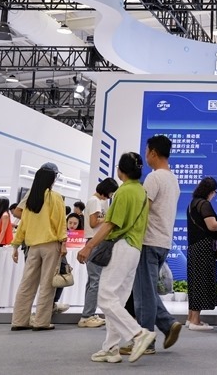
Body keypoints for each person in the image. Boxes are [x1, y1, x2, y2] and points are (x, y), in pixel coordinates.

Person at [77, 151, 154, 364]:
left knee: (105, 297)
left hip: (122, 246)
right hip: (135, 249)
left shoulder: (123, 192)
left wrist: (89, 246)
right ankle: (111, 348)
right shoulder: (141, 191)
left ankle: (138, 334)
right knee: (116, 300)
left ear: (121, 170)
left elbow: (110, 224)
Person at [129, 135, 182, 355]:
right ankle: (168, 324)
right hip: (163, 241)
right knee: (147, 290)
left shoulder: (154, 178)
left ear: (153, 152)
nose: (145, 156)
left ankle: (146, 342)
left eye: (146, 151)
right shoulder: (173, 179)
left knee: (143, 293)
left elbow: (143, 210)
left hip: (148, 240)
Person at [9, 165, 67, 331]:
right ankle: (41, 321)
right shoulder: (55, 197)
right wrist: (63, 242)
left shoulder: (31, 199)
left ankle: (19, 320)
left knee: (26, 284)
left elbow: (23, 225)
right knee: (47, 285)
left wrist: (15, 245)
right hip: (50, 245)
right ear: (51, 179)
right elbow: (60, 222)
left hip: (32, 247)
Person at [186, 177, 217, 331]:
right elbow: (212, 226)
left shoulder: (192, 204)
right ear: (210, 191)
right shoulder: (204, 204)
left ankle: (190, 318)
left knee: (195, 282)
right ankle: (195, 321)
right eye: (215, 192)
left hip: (194, 247)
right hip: (204, 248)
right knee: (201, 282)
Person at [79, 177, 118, 329]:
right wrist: (109, 218)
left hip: (95, 242)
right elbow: (93, 222)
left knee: (93, 281)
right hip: (94, 242)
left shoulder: (98, 201)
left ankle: (88, 313)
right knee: (95, 281)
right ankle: (87, 316)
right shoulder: (94, 201)